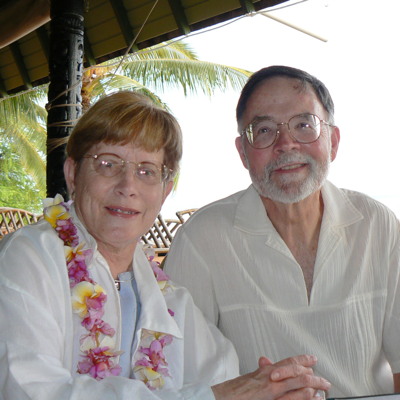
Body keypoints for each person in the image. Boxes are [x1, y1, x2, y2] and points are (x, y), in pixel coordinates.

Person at [0, 91, 331, 400]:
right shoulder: (28, 259)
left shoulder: (166, 297)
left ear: (165, 190)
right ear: (73, 174)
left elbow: (224, 375)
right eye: (108, 164)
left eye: (147, 171)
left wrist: (275, 389)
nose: (127, 186)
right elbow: (29, 390)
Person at [164, 65, 400, 398]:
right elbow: (174, 374)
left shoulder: (377, 225)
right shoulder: (202, 239)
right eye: (263, 130)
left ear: (332, 141)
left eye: (304, 125)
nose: (286, 143)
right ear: (243, 153)